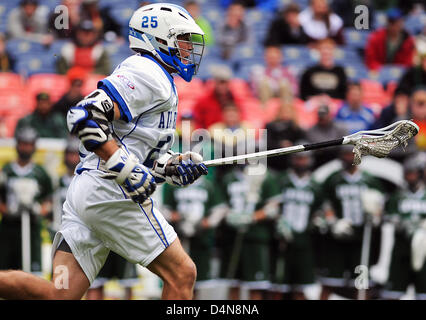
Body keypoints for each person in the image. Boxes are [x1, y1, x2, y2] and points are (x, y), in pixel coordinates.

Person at [0, 3, 208, 300]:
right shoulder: (148, 72)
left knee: (58, 295)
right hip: (110, 192)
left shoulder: (156, 76)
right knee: (182, 274)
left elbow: (135, 149)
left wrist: (171, 165)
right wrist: (125, 167)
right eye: (183, 40)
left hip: (88, 191)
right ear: (159, 38)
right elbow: (85, 116)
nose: (188, 50)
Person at [318, 147, 384, 300]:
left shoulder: (369, 180)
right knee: (329, 281)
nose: (348, 158)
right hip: (338, 237)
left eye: (352, 154)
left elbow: (379, 205)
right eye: (345, 154)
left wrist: (375, 216)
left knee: (362, 282)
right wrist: (333, 221)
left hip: (362, 237)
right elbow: (326, 204)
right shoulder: (333, 179)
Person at [162, 175, 227, 299]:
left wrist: (204, 223)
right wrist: (180, 218)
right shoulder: (171, 184)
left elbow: (219, 209)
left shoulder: (208, 185)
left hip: (201, 238)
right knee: (174, 277)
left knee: (196, 277)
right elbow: (164, 210)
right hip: (177, 237)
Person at [269, 150, 322, 300]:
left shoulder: (315, 185)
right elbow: (271, 204)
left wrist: (320, 221)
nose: (301, 162)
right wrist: (278, 220)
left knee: (302, 288)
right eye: (298, 158)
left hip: (304, 241)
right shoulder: (281, 180)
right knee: (277, 287)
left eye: (304, 159)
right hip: (281, 241)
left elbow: (321, 210)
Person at [0, 127, 53, 273]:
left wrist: (39, 210)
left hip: (32, 226)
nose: (26, 148)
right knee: (6, 273)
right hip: (9, 228)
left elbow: (49, 199)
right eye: (23, 144)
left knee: (32, 272)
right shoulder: (7, 171)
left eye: (29, 144)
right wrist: (7, 210)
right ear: (17, 145)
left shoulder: (40, 173)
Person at [380, 155, 426, 300]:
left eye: (412, 173)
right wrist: (399, 222)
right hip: (401, 251)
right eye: (407, 173)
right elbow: (388, 217)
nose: (410, 177)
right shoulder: (398, 196)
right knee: (393, 293)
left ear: (419, 173)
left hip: (423, 252)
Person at [192, 65, 242, 130]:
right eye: (220, 82)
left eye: (225, 82)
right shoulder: (203, 102)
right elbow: (196, 122)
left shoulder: (235, 101)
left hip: (230, 136)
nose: (223, 85)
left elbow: (240, 121)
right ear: (215, 82)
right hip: (208, 137)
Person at [305, 104, 348, 169]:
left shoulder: (340, 128)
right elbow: (314, 148)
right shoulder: (311, 130)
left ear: (329, 115)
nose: (322, 117)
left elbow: (345, 146)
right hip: (319, 160)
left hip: (337, 159)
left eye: (324, 114)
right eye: (320, 115)